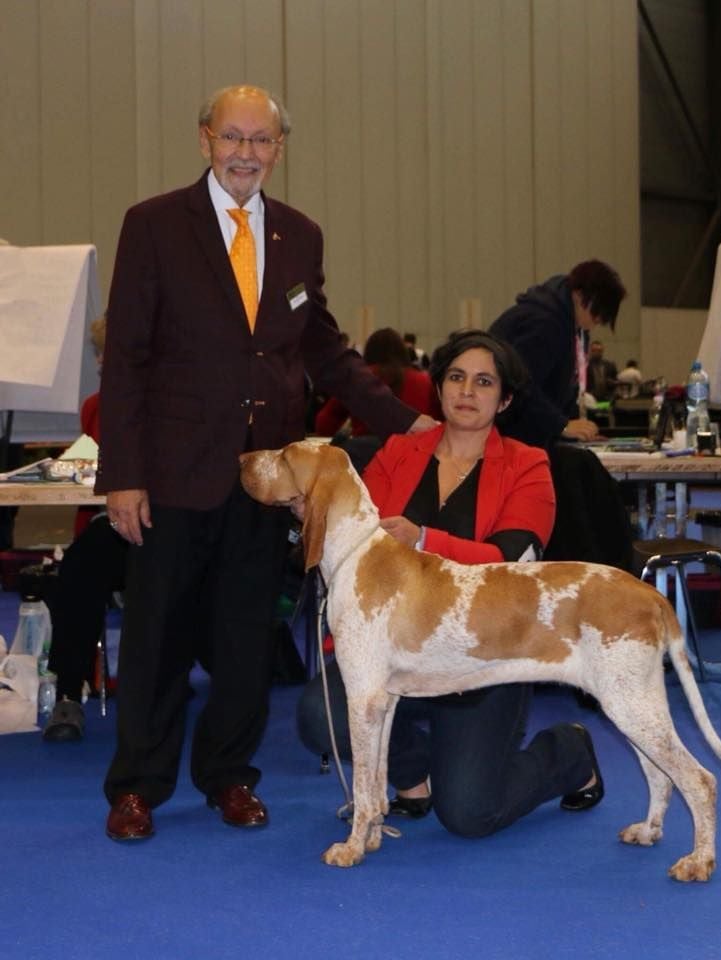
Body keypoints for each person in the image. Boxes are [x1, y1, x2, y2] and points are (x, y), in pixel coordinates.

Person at [96, 84, 436, 842]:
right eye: (233, 137)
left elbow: (324, 349)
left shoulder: (299, 236)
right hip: (171, 475)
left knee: (248, 639)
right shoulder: (153, 225)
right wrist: (122, 473)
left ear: (279, 149)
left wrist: (408, 420)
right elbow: (126, 358)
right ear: (205, 139)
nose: (245, 153)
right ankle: (138, 787)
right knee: (157, 636)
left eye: (261, 140)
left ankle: (229, 776)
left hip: (267, 486)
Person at [297, 329, 604, 838]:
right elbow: (353, 536)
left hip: (487, 656)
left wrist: (423, 539)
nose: (467, 390)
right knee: (316, 714)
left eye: (484, 382)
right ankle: (412, 776)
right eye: (456, 377)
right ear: (438, 388)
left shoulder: (529, 465)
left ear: (505, 400)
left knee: (469, 814)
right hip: (394, 652)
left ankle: (569, 752)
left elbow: (509, 562)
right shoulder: (397, 452)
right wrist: (310, 513)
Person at [42, 315, 128, 742]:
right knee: (79, 566)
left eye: (106, 352)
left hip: (165, 524)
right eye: (99, 353)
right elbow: (83, 469)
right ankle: (68, 693)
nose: (100, 362)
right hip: (109, 526)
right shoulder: (94, 407)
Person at [488, 260, 627, 448]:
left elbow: (560, 389)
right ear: (578, 295)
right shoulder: (544, 324)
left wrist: (577, 428)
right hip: (507, 434)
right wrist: (562, 425)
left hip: (530, 433)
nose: (600, 320)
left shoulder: (574, 327)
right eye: (597, 312)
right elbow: (521, 385)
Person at [314, 327, 440, 438]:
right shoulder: (425, 381)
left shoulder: (357, 379)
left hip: (366, 453)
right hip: (416, 453)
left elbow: (324, 423)